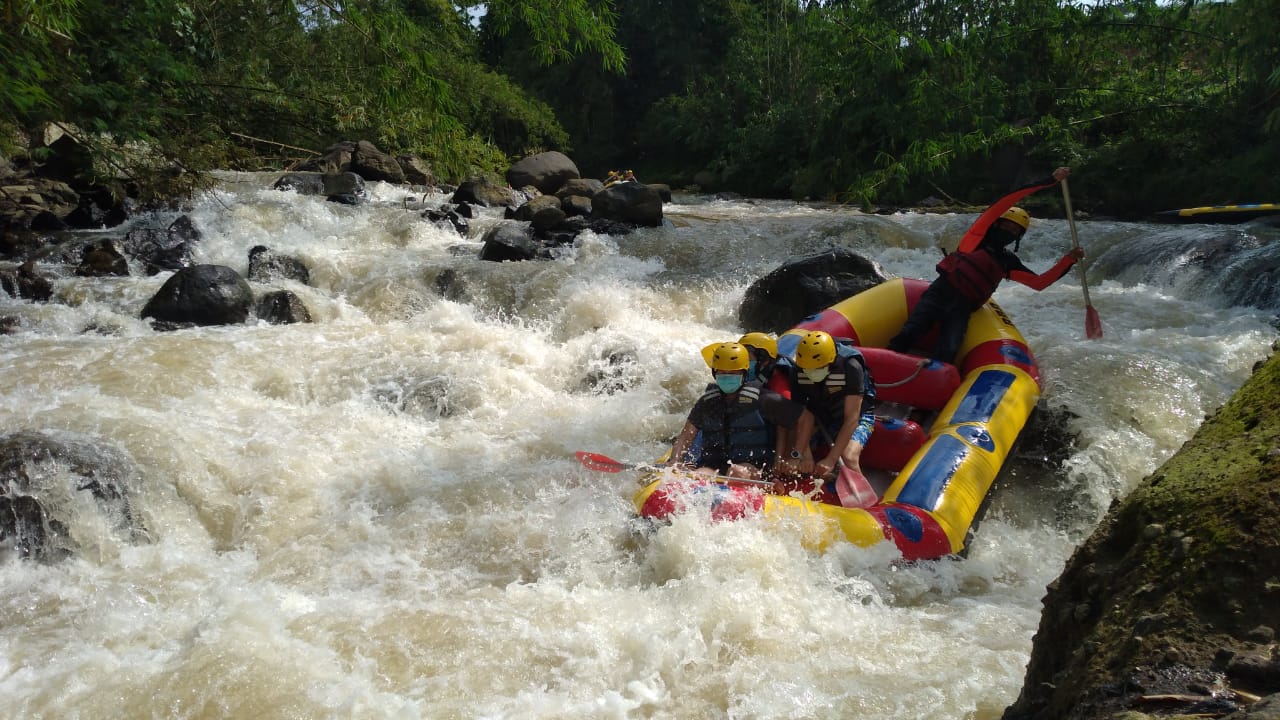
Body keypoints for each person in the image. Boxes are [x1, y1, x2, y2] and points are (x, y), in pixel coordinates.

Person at [887, 166, 1085, 364]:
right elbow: (1005, 202)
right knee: (910, 333)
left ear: (1018, 237)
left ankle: (933, 383)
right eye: (1005, 224)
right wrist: (1049, 180)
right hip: (939, 293)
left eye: (1014, 230)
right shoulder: (976, 237)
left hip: (962, 308)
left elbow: (1039, 283)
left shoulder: (1008, 261)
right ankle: (883, 370)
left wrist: (1068, 259)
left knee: (948, 351)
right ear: (996, 224)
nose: (1009, 230)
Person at [667, 342, 812, 480]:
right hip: (715, 466)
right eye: (722, 372)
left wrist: (795, 456)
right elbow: (686, 435)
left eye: (733, 372)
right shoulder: (707, 402)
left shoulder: (763, 398)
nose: (727, 376)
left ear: (743, 373)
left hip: (753, 468)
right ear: (714, 373)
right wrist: (675, 461)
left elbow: (806, 418)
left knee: (737, 472)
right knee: (699, 475)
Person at [786, 330, 876, 482]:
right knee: (794, 451)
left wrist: (831, 459)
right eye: (807, 369)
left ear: (830, 361)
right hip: (822, 416)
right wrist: (805, 456)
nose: (811, 373)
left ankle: (864, 502)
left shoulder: (851, 367)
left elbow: (852, 419)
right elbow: (800, 416)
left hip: (857, 416)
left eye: (816, 368)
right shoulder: (797, 371)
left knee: (848, 457)